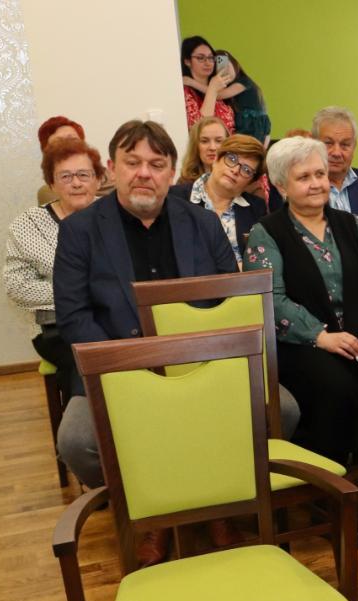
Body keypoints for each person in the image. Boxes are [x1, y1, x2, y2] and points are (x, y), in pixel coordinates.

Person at [53, 120, 239, 564]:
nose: (144, 173)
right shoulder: (80, 231)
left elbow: (231, 299)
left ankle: (213, 498)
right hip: (116, 368)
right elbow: (74, 317)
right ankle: (151, 507)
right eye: (132, 162)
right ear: (111, 169)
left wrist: (200, 359)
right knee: (77, 440)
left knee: (282, 408)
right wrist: (132, 367)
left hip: (198, 364)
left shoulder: (203, 224)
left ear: (172, 172)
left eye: (156, 164)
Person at [244, 137, 358, 468]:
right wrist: (321, 336)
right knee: (338, 389)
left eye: (320, 174)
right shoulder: (266, 232)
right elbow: (270, 298)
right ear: (282, 186)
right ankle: (329, 481)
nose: (317, 183)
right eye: (303, 177)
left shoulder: (355, 225)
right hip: (301, 344)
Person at [5, 137, 105, 398]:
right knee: (84, 360)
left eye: (84, 174)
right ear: (51, 184)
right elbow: (17, 287)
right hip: (56, 326)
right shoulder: (28, 225)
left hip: (113, 317)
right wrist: (78, 292)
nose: (76, 183)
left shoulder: (115, 217)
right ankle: (84, 422)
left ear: (98, 180)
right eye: (66, 176)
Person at [171, 134, 266, 268]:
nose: (235, 170)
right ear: (216, 158)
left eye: (246, 170)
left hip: (244, 281)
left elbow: (261, 260)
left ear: (250, 181)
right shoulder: (175, 197)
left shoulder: (257, 208)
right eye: (232, 159)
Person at [309, 106, 358, 226]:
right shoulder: (303, 188)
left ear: (354, 146)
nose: (336, 153)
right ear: (313, 143)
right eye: (328, 143)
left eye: (345, 144)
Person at [35, 116, 115, 205]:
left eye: (73, 141)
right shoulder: (47, 194)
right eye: (58, 143)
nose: (67, 147)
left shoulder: (116, 179)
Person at [180, 35, 239, 132]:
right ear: (187, 61)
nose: (208, 63)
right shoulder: (186, 93)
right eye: (200, 58)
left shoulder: (220, 89)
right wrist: (212, 89)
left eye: (211, 58)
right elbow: (199, 130)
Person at [217, 49, 271, 145]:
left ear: (234, 64)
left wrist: (194, 83)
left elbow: (218, 95)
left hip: (252, 126)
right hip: (248, 126)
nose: (225, 72)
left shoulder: (243, 82)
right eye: (219, 69)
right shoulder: (232, 88)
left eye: (227, 66)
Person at [178, 116, 229, 184]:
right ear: (195, 145)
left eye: (218, 141)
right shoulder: (184, 183)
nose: (212, 147)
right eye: (204, 141)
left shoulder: (236, 180)